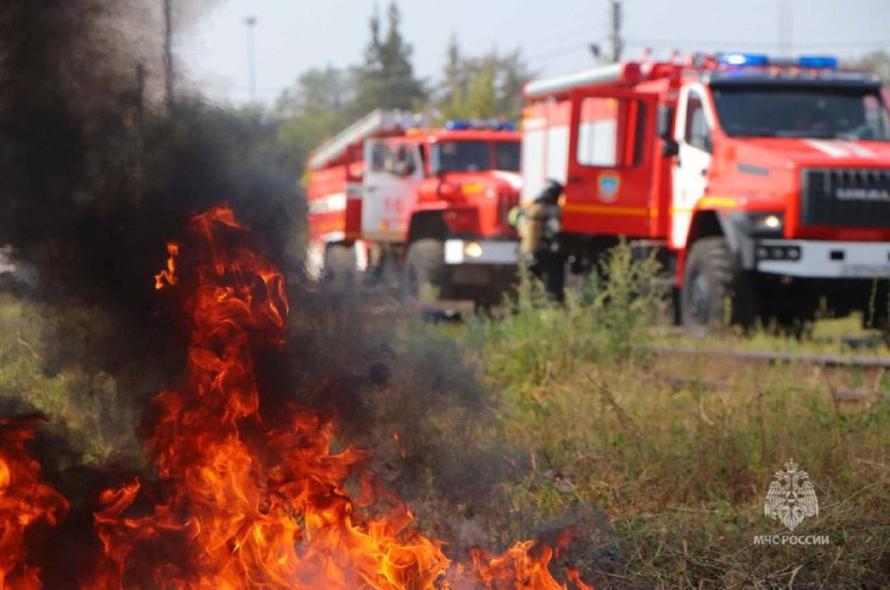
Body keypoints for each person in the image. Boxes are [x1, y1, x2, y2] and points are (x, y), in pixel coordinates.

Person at [509, 179, 566, 301]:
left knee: (529, 283)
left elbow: (512, 221)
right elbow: (557, 231)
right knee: (552, 283)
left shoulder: (526, 209)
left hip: (526, 251)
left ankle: (525, 307)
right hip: (545, 252)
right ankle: (552, 305)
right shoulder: (553, 211)